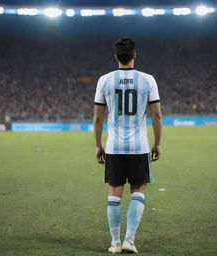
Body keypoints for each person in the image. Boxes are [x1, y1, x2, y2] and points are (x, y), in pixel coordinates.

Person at [93, 38, 162, 254]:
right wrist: (157, 143)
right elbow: (157, 114)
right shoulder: (148, 79)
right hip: (139, 147)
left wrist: (98, 145)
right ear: (135, 55)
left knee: (114, 195)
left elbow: (97, 118)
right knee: (138, 192)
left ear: (116, 56)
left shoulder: (104, 80)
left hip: (113, 147)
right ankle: (129, 241)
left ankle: (114, 243)